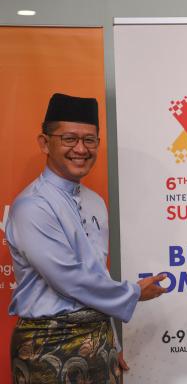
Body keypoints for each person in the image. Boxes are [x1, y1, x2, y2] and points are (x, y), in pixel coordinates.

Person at [6, 93, 166, 384]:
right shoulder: (33, 206)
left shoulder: (95, 202)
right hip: (47, 345)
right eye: (69, 138)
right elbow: (69, 278)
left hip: (98, 340)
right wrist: (133, 293)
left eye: (89, 140)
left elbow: (96, 273)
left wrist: (111, 340)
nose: (81, 149)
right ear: (45, 143)